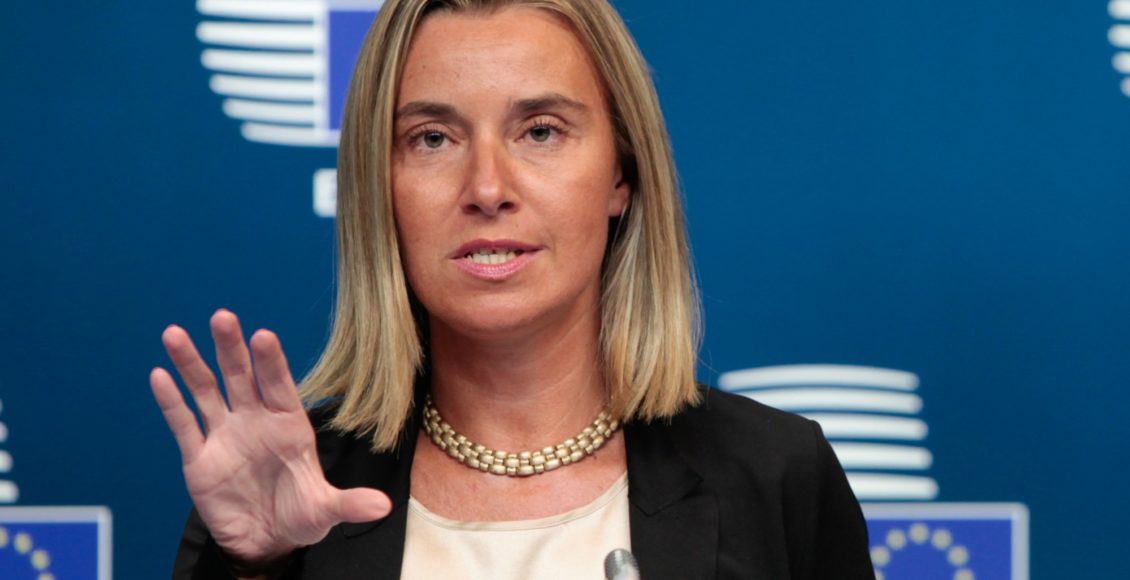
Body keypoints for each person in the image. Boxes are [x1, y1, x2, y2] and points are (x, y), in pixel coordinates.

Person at [151, 0, 873, 578]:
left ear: (621, 175)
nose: (488, 188)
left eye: (541, 131)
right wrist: (254, 569)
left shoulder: (775, 473)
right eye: (433, 138)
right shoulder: (288, 494)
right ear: (380, 188)